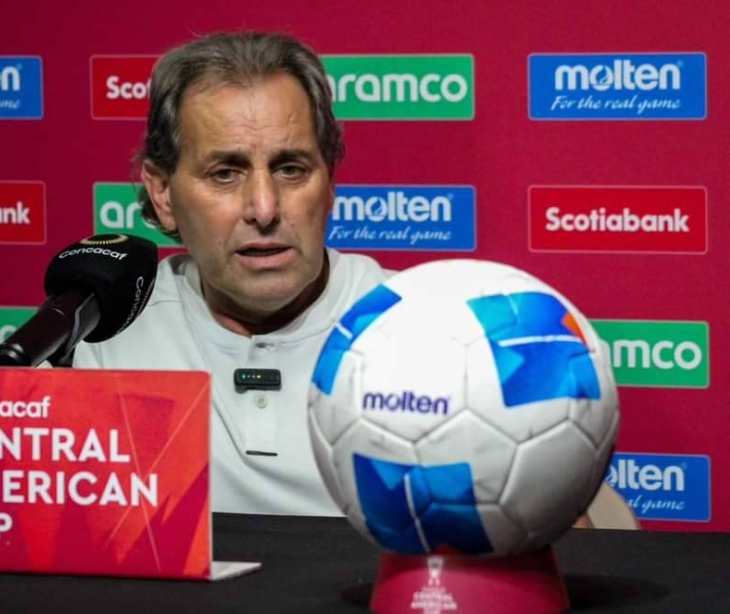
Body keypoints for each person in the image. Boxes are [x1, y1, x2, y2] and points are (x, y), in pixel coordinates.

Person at [72, 30, 611, 527]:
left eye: (291, 169)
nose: (264, 208)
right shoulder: (105, 329)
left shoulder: (432, 333)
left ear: (329, 183)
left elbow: (560, 553)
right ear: (163, 193)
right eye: (225, 173)